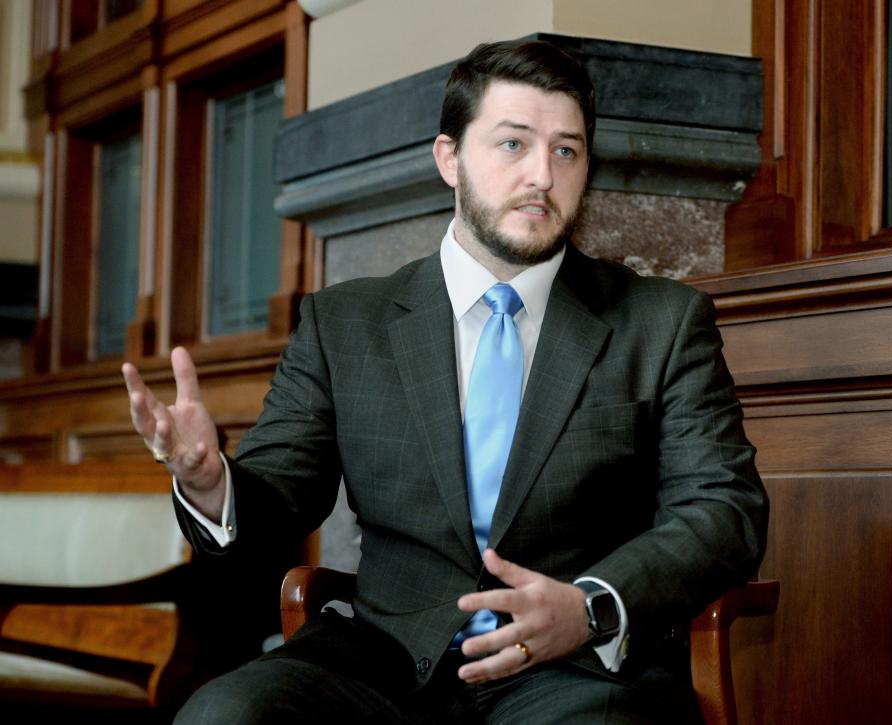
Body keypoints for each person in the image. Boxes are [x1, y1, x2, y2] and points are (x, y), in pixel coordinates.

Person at [122, 39, 767, 724]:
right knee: (223, 714)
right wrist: (206, 479)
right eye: (513, 144)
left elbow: (724, 510)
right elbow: (280, 494)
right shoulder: (345, 323)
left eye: (566, 151)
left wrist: (589, 605)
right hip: (382, 659)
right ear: (449, 159)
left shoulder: (661, 321)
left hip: (573, 673)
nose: (542, 176)